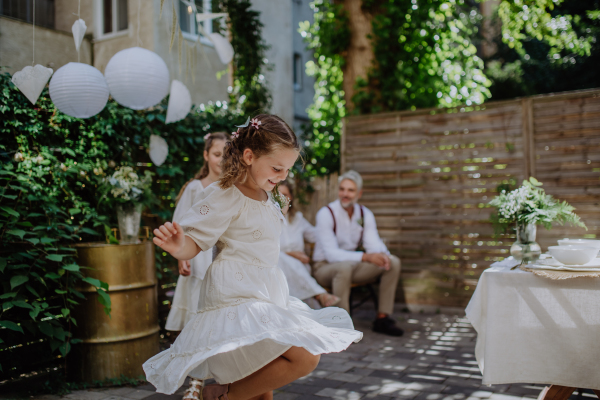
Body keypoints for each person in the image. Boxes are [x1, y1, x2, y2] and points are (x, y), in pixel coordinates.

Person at [143, 115, 362, 400]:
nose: (283, 176)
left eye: (287, 170)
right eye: (276, 167)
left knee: (261, 386)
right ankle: (222, 396)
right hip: (235, 295)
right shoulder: (225, 194)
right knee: (305, 357)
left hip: (266, 294)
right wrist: (178, 247)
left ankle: (223, 394)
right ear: (248, 156)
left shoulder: (270, 198)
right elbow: (196, 242)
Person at [164, 132, 228, 400]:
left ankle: (220, 380)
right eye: (216, 154)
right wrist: (183, 257)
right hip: (197, 262)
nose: (221, 160)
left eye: (226, 154)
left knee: (218, 326)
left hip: (221, 265)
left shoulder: (231, 188)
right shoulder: (194, 188)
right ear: (206, 155)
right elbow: (180, 225)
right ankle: (195, 382)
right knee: (196, 324)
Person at [312, 170, 404, 336]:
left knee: (393, 262)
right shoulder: (326, 214)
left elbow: (373, 244)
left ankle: (382, 319)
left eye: (350, 190)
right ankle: (341, 327)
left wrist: (384, 255)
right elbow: (332, 255)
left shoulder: (365, 214)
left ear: (359, 193)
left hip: (352, 267)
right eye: (342, 189)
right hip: (325, 268)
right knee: (344, 267)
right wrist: (365, 257)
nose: (345, 194)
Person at [277, 181, 339, 308]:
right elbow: (265, 249)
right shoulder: (267, 219)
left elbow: (318, 235)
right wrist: (291, 254)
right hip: (278, 268)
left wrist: (332, 226)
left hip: (301, 268)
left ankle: (312, 300)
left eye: (284, 194)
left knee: (293, 265)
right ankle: (318, 294)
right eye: (277, 194)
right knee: (280, 258)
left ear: (291, 197)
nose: (281, 198)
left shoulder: (298, 219)